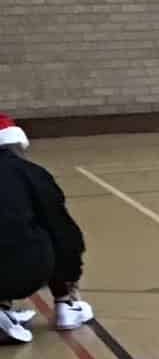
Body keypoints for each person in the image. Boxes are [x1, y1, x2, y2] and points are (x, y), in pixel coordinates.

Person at [0, 115, 91, 345]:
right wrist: (70, 277)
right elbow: (64, 233)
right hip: (23, 271)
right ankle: (66, 304)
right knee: (51, 230)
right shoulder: (32, 173)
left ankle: (3, 308)